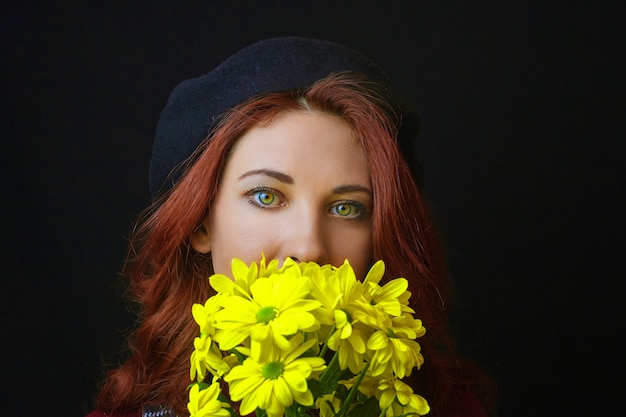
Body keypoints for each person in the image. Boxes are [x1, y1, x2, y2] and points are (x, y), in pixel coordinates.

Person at [87, 37, 496, 417]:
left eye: (347, 208)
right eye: (267, 196)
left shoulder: (446, 406)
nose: (308, 247)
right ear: (200, 223)